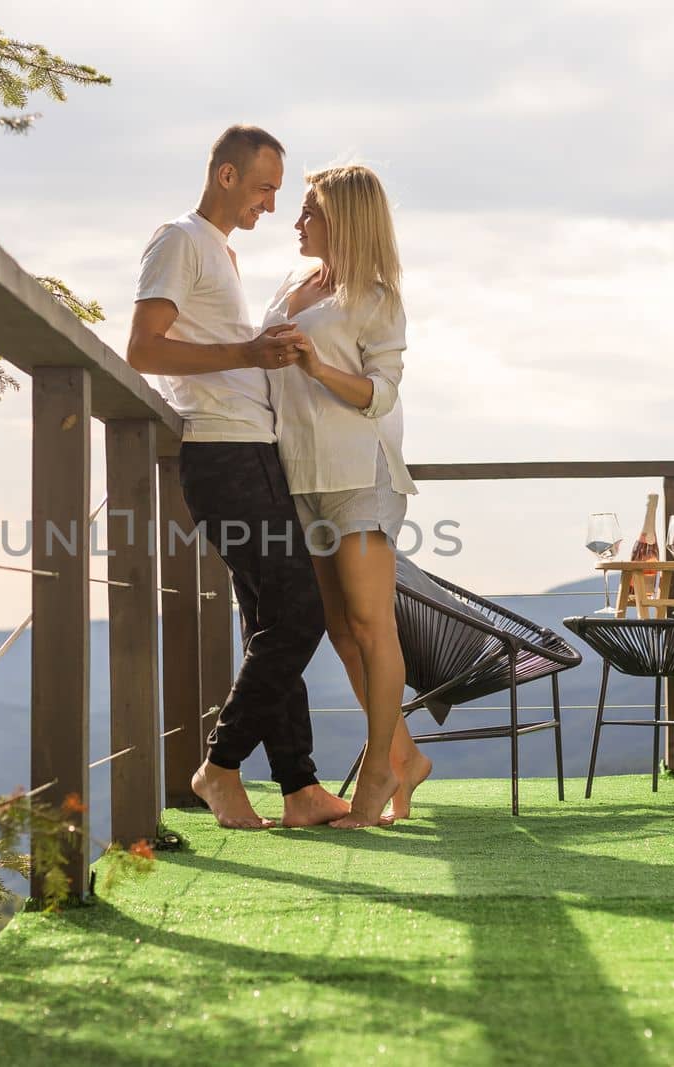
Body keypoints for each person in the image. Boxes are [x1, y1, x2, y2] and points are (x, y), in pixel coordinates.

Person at [127, 125, 351, 829]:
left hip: (254, 451)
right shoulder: (181, 239)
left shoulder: (218, 252)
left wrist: (261, 356)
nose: (271, 203)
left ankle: (299, 788)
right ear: (226, 176)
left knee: (270, 620)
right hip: (223, 455)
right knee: (302, 613)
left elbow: (209, 349)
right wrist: (250, 352)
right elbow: (142, 348)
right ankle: (219, 768)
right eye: (263, 187)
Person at [264, 164, 432, 828]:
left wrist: (316, 365)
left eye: (309, 211)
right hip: (299, 475)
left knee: (370, 625)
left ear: (345, 220)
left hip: (360, 478)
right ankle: (406, 756)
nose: (297, 221)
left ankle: (377, 774)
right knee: (338, 628)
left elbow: (380, 392)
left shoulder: (376, 297)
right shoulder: (290, 286)